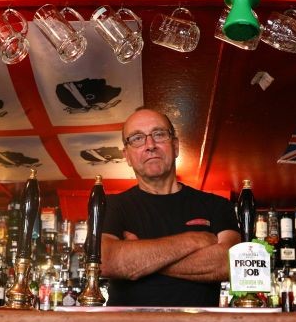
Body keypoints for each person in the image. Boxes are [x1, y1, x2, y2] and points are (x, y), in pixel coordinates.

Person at [101, 108, 241, 307]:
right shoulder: (112, 205)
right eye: (137, 138)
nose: (150, 145)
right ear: (127, 156)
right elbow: (108, 261)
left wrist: (139, 258)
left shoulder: (216, 205)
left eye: (159, 134)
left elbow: (232, 264)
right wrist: (194, 240)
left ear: (175, 146)